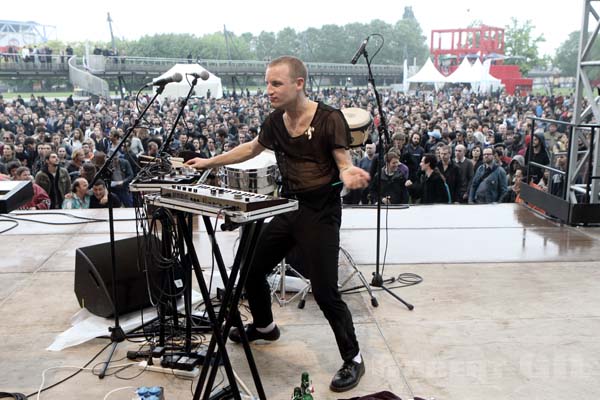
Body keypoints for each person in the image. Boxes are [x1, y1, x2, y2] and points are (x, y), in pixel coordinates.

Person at [185, 56, 370, 392]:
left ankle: (353, 358)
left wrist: (347, 173)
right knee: (252, 270)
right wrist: (210, 161)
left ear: (299, 83)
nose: (268, 90)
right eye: (267, 83)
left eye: (276, 84)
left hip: (321, 212)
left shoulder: (330, 119)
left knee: (326, 292)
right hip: (289, 206)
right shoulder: (275, 121)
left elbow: (342, 159)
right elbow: (252, 148)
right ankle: (265, 326)